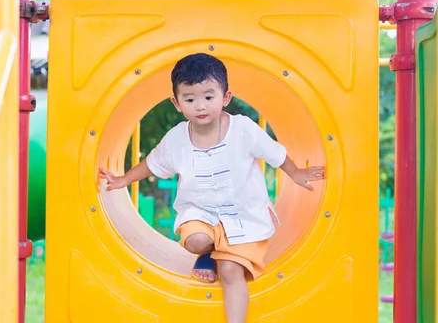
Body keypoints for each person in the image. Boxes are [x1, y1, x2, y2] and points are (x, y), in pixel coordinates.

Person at [99, 53, 325, 323]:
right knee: (196, 240)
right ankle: (207, 253)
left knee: (231, 271)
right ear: (177, 103)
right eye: (190, 99)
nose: (200, 106)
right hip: (200, 214)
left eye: (209, 96)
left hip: (244, 217)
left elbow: (275, 154)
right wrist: (123, 179)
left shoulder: (243, 129)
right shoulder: (176, 139)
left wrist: (296, 173)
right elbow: (152, 163)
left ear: (225, 97)